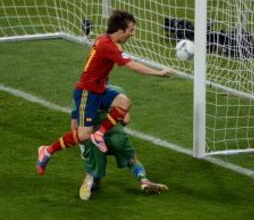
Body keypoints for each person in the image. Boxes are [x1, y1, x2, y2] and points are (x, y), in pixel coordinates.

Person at [36, 10, 175, 176]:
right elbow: (133, 65)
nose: (133, 34)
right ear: (121, 31)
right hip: (87, 93)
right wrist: (159, 73)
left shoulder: (107, 40)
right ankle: (48, 150)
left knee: (124, 103)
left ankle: (100, 134)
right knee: (83, 134)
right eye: (131, 30)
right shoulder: (108, 46)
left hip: (99, 89)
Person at [76, 85, 168, 200]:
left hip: (94, 138)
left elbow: (75, 125)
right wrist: (115, 126)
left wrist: (83, 145)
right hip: (116, 134)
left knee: (93, 162)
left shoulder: (81, 94)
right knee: (131, 159)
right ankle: (143, 180)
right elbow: (126, 119)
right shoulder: (117, 91)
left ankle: (93, 179)